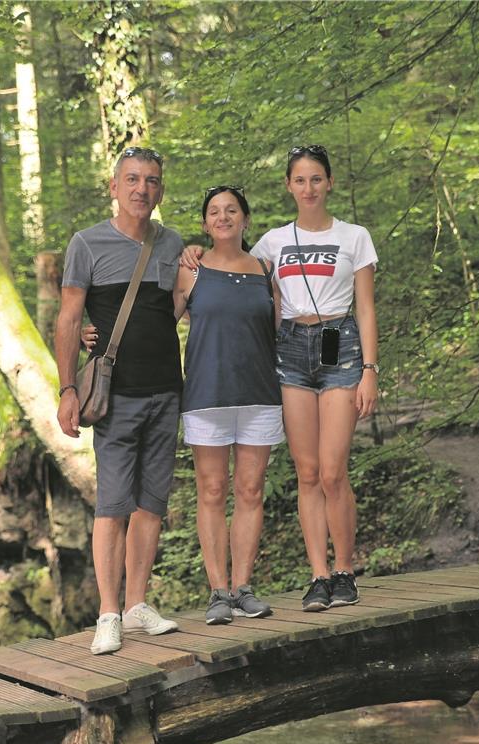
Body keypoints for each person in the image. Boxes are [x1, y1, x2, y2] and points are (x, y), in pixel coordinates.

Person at [184, 144, 379, 612]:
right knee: (307, 472)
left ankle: (345, 569)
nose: (308, 187)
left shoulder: (355, 237)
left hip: (340, 344)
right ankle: (317, 574)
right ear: (288, 186)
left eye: (317, 179)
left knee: (333, 471)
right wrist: (192, 250)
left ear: (329, 183)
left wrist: (371, 369)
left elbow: (367, 308)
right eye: (300, 180)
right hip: (290, 350)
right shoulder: (271, 244)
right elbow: (233, 273)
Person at [55, 146, 182, 655]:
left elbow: (178, 305)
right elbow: (68, 320)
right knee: (112, 506)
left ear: (160, 190)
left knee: (152, 503)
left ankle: (137, 605)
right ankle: (108, 614)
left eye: (151, 181)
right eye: (131, 179)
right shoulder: (86, 244)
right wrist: (67, 389)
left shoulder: (171, 244)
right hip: (114, 397)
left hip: (167, 391)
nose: (141, 189)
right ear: (113, 186)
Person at [175, 186, 281, 624]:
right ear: (205, 223)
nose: (223, 217)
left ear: (245, 219)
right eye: (214, 212)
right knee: (213, 490)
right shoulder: (192, 270)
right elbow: (159, 321)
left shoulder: (265, 268)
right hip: (206, 393)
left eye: (231, 210)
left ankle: (243, 588)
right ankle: (218, 592)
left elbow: (280, 329)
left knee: (251, 491)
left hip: (259, 393)